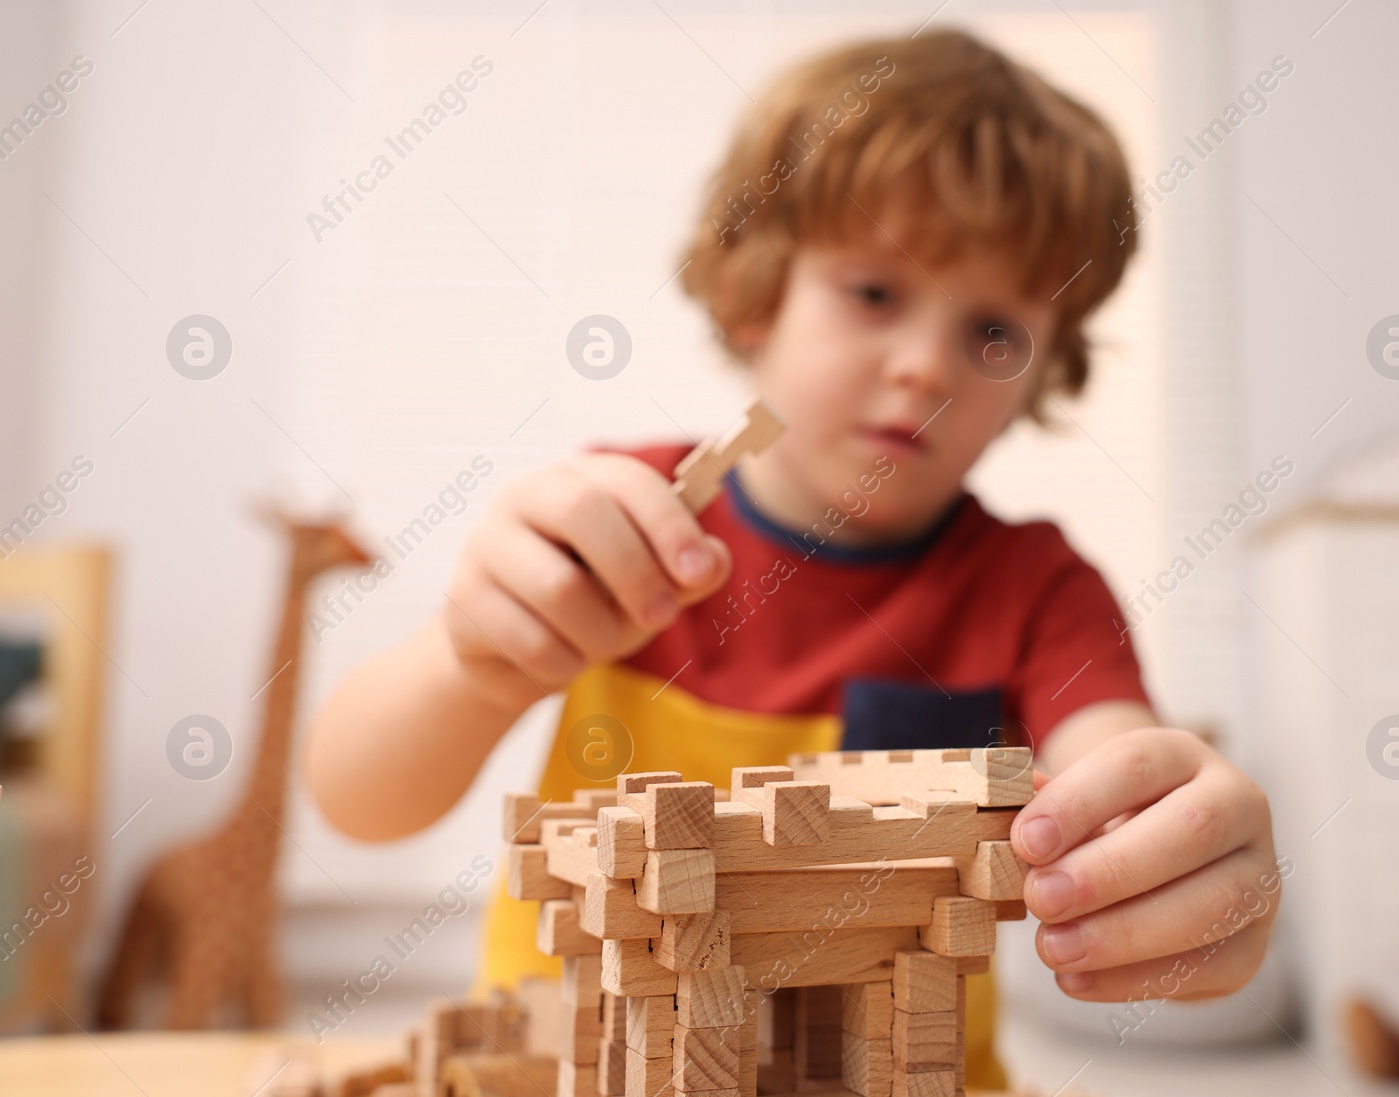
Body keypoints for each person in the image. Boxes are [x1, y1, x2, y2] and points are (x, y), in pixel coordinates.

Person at [305, 27, 1279, 1087]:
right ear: (756, 296)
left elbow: (1119, 782)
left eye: (993, 333)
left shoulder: (1038, 592)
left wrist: (1178, 862)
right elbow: (358, 800)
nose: (923, 367)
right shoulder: (616, 523)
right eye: (873, 292)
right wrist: (470, 658)